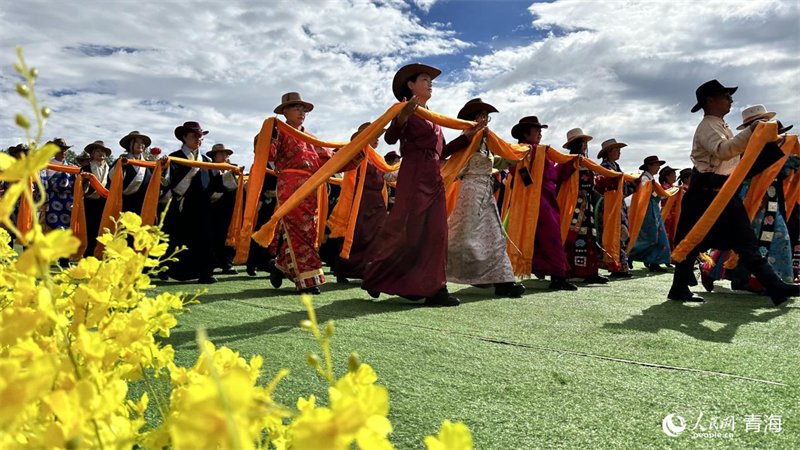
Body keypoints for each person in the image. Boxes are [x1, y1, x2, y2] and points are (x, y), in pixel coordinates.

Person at [669, 80, 798, 306]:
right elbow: (724, 151)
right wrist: (752, 131)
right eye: (726, 96)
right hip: (706, 194)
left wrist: (772, 146)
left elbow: (738, 162)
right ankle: (678, 287)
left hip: (722, 193)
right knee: (693, 242)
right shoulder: (707, 126)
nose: (731, 100)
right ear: (710, 100)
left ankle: (776, 286)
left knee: (743, 242)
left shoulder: (720, 125)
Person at [362, 63, 482, 306]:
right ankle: (377, 275)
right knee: (409, 231)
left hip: (434, 179)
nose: (430, 83)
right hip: (414, 176)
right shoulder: (405, 109)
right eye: (425, 79)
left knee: (437, 232)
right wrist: (403, 116)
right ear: (410, 84)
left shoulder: (435, 119)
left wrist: (466, 137)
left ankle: (434, 287)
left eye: (431, 80)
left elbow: (443, 151)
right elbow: (390, 138)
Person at [266, 92, 364, 294]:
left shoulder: (312, 139)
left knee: (309, 231)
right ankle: (308, 280)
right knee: (298, 229)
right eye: (296, 108)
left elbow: (332, 161)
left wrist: (358, 148)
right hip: (290, 186)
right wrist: (270, 135)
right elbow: (268, 155)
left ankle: (279, 265)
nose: (301, 113)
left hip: (312, 189)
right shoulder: (278, 131)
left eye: (304, 110)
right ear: (284, 111)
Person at [446, 99, 525, 297]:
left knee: (494, 235)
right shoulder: (467, 139)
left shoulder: (485, 143)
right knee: (461, 236)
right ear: (473, 119)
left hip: (485, 190)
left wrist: (516, 155)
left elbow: (494, 162)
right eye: (481, 116)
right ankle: (433, 269)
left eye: (486, 116)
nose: (485, 120)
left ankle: (503, 280)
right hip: (471, 191)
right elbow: (458, 165)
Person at [509, 116, 577, 290]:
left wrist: (569, 163)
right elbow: (517, 169)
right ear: (526, 133)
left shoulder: (539, 151)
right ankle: (558, 276)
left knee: (542, 235)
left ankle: (543, 269)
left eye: (540, 131)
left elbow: (554, 174)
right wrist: (531, 188)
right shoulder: (523, 150)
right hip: (535, 197)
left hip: (546, 194)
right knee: (550, 234)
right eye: (536, 130)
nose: (540, 133)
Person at [160, 121, 220, 284]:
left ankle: (204, 273)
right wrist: (164, 167)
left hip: (203, 206)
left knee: (204, 239)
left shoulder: (207, 160)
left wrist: (232, 175)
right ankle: (169, 270)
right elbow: (165, 182)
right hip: (181, 204)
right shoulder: (174, 157)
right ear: (184, 137)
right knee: (177, 238)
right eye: (194, 135)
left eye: (200, 137)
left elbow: (217, 183)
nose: (198, 139)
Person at [335, 122, 390, 282]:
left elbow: (388, 175)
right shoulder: (357, 156)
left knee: (378, 235)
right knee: (360, 235)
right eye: (374, 136)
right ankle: (344, 269)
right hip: (361, 201)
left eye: (378, 136)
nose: (377, 139)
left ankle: (370, 268)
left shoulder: (378, 159)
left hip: (377, 202)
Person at [561, 128, 608, 284]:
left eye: (586, 143)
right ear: (575, 144)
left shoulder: (586, 162)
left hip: (586, 205)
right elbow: (561, 180)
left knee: (589, 235)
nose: (585, 146)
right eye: (583, 142)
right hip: (573, 205)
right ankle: (572, 270)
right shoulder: (567, 161)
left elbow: (591, 184)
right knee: (573, 237)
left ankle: (590, 271)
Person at [595, 138, 635, 278]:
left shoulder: (615, 167)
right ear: (608, 152)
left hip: (618, 206)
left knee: (621, 234)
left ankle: (619, 265)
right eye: (616, 150)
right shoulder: (604, 168)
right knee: (613, 234)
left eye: (619, 150)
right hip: (609, 206)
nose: (619, 153)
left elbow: (622, 189)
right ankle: (615, 265)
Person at [628, 156, 672, 272]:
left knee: (659, 237)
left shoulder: (650, 179)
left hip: (654, 209)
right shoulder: (644, 179)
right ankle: (630, 254)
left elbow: (657, 194)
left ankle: (654, 262)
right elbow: (648, 195)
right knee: (651, 237)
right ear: (650, 166)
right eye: (656, 165)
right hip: (646, 210)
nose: (658, 167)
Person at [246, 134, 278, 277]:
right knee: (259, 232)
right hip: (264, 204)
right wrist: (268, 193)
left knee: (277, 234)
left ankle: (271, 263)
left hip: (279, 204)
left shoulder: (281, 163)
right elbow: (254, 184)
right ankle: (252, 264)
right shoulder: (260, 163)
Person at [207, 143, 240, 275]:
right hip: (214, 206)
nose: (225, 156)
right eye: (221, 153)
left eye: (226, 154)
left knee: (229, 235)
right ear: (214, 156)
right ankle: (214, 263)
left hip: (230, 207)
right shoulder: (208, 168)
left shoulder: (232, 169)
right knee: (215, 235)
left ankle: (228, 263)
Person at [80, 141, 112, 257]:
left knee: (105, 229)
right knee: (90, 229)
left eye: (102, 151)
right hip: (90, 202)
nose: (100, 153)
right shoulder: (86, 168)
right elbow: (80, 186)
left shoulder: (112, 169)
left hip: (106, 202)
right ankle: (89, 255)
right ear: (92, 154)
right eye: (97, 151)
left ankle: (103, 254)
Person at [110, 131, 153, 214]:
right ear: (129, 145)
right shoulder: (121, 161)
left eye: (142, 142)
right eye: (136, 142)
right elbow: (112, 179)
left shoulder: (149, 164)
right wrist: (121, 166)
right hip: (123, 203)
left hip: (143, 205)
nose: (140, 144)